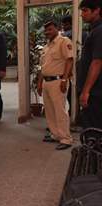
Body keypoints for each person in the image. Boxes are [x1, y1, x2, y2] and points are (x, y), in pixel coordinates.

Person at [37, 21, 73, 150]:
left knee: (60, 110)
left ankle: (66, 139)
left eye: (50, 29)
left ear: (57, 29)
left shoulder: (64, 41)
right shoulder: (46, 47)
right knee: (50, 110)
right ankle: (55, 135)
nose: (48, 32)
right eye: (46, 30)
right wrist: (40, 83)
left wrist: (64, 80)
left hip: (58, 81)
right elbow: (42, 67)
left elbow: (69, 60)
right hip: (47, 82)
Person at [78, 0, 102, 129]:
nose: (82, 14)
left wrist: (86, 91)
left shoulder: (99, 31)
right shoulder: (93, 30)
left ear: (97, 10)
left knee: (93, 129)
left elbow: (97, 62)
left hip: (95, 92)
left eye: (85, 10)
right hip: (94, 90)